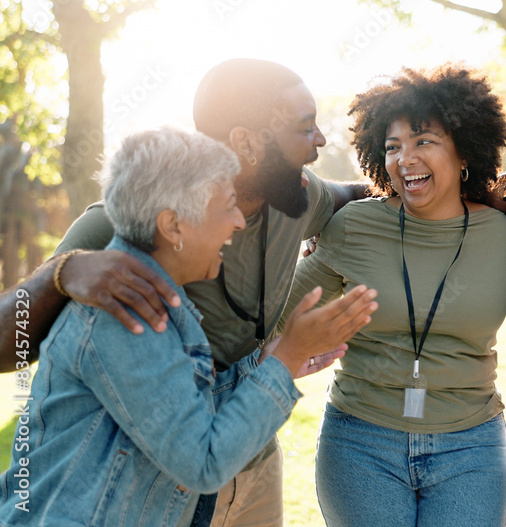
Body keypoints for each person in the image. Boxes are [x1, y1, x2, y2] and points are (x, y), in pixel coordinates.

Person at [0, 59, 369, 527]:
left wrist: (468, 189)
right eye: (305, 128)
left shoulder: (296, 193)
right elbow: (196, 456)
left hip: (249, 443)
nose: (320, 140)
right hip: (169, 466)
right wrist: (59, 274)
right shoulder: (122, 241)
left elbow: (355, 195)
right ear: (246, 142)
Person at [280, 64, 506, 527]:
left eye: (423, 141)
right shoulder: (355, 226)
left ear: (464, 151)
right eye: (392, 147)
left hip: (471, 446)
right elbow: (277, 315)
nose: (404, 158)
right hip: (361, 442)